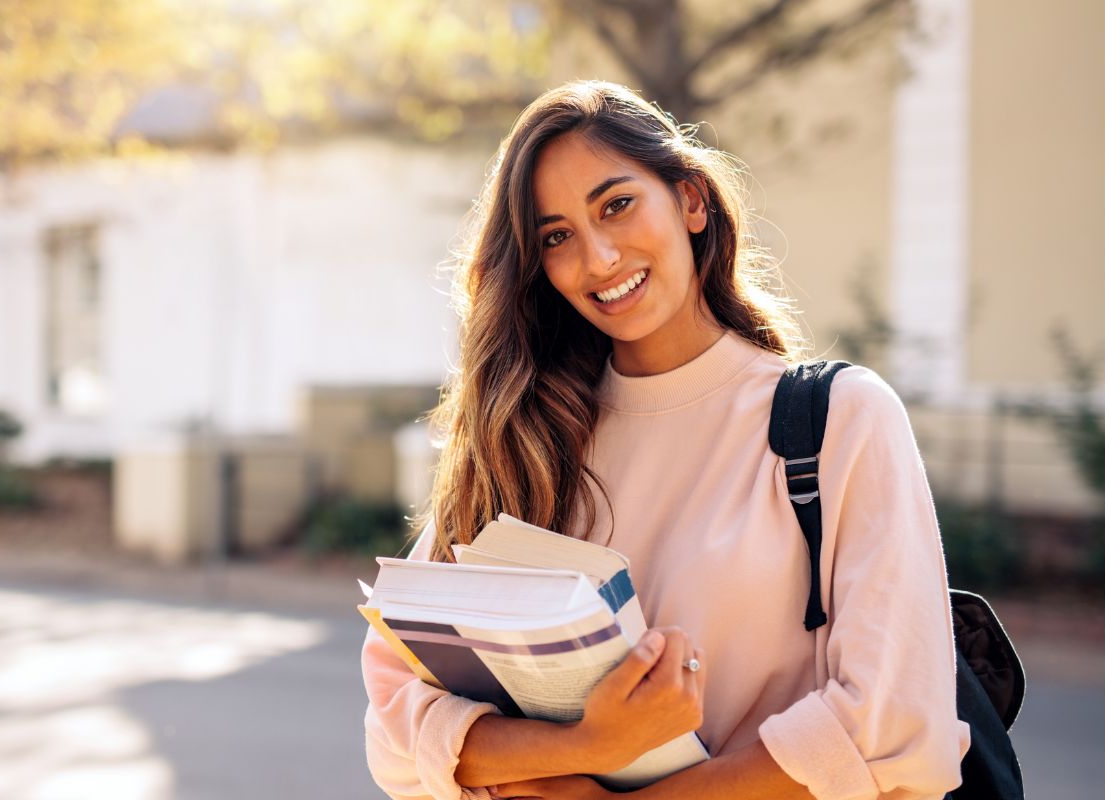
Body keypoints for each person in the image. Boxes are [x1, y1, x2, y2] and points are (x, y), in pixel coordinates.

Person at [360, 80, 970, 800]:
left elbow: (892, 731)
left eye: (616, 205)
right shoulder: (523, 441)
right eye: (556, 237)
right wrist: (585, 744)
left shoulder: (838, 420)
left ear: (690, 200)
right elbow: (397, 729)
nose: (599, 259)